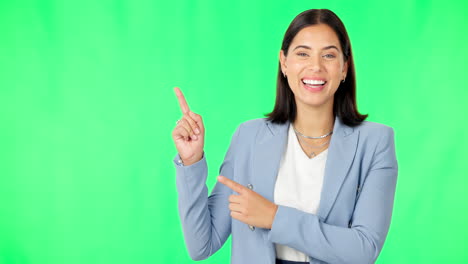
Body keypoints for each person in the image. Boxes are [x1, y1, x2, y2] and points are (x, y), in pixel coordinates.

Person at [172, 8, 398, 264]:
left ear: (344, 68)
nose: (316, 66)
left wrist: (274, 217)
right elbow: (202, 245)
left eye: (329, 55)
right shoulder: (248, 137)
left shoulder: (376, 142)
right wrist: (191, 161)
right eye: (303, 53)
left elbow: (364, 250)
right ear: (284, 62)